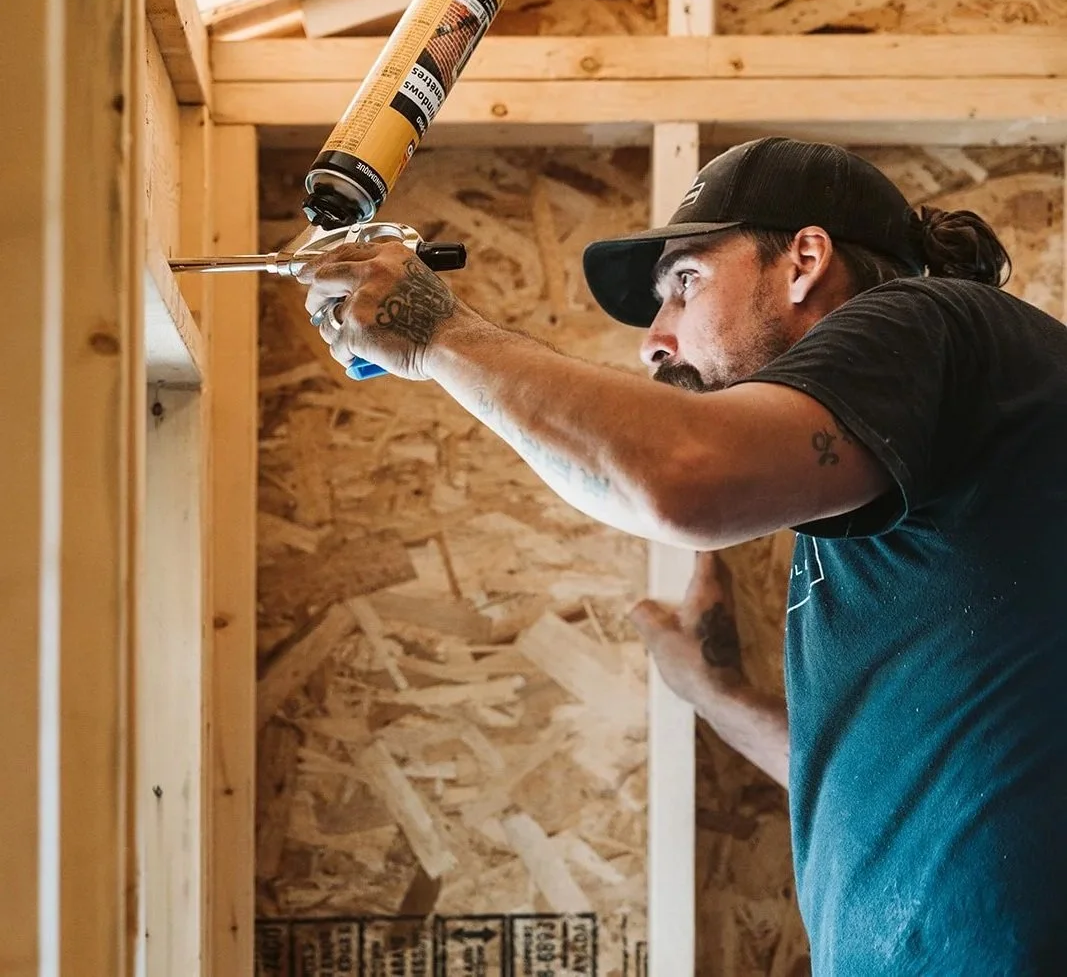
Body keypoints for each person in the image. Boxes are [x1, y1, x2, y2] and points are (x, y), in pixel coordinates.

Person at [301, 137, 1067, 975]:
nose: (654, 339)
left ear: (804, 260)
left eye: (685, 283)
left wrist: (434, 332)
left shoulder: (927, 321)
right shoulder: (894, 480)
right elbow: (864, 793)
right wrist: (713, 692)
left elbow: (680, 477)